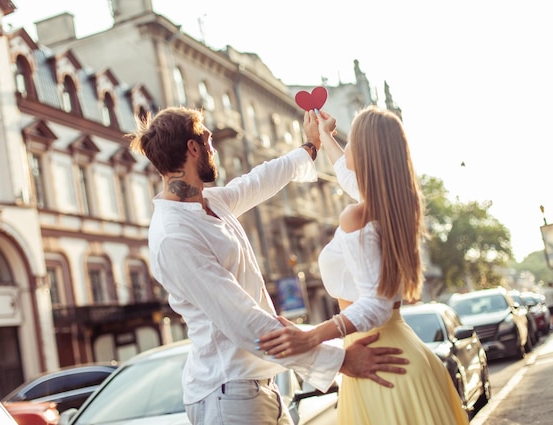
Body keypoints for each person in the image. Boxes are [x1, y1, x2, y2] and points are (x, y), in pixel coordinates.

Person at [129, 106, 409, 425]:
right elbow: (245, 321)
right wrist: (342, 361)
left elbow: (259, 180)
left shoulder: (209, 202)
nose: (213, 149)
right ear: (193, 148)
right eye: (209, 141)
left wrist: (312, 145)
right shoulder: (173, 236)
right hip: (228, 393)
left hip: (256, 387)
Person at [257, 106, 469, 424]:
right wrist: (325, 136)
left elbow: (376, 304)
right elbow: (347, 174)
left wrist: (313, 336)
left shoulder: (357, 216)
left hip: (379, 360)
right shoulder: (392, 207)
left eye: (352, 141)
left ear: (367, 154)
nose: (347, 147)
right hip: (395, 352)